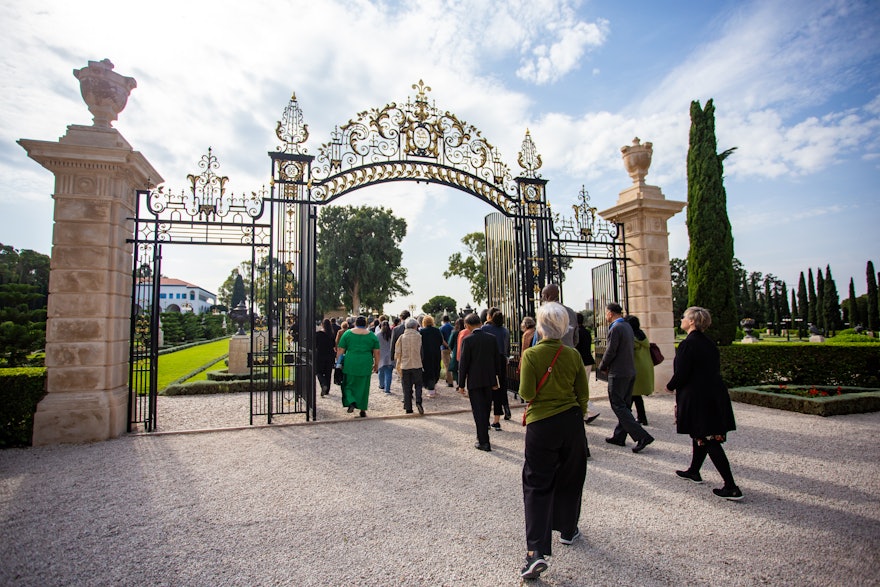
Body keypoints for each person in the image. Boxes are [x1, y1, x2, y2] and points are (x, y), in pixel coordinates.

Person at [518, 302, 589, 581]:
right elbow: (583, 393)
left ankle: (535, 551)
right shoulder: (572, 355)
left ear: (541, 325)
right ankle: (568, 529)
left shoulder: (532, 355)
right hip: (570, 421)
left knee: (536, 483)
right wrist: (577, 414)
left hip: (542, 422)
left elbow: (525, 393)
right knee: (571, 476)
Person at [665, 307, 742, 500]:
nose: (681, 319)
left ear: (691, 321)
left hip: (698, 396)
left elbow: (682, 373)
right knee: (701, 433)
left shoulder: (688, 344)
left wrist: (670, 386)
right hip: (714, 393)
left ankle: (731, 486)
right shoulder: (709, 343)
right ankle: (694, 471)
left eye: (683, 317)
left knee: (708, 438)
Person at [598, 302, 654, 453]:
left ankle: (642, 436)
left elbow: (611, 351)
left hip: (619, 372)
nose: (605, 316)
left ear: (610, 313)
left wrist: (602, 365)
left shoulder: (615, 328)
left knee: (618, 405)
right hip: (630, 371)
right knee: (625, 405)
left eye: (606, 313)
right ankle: (619, 436)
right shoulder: (628, 326)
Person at [458, 312, 503, 451]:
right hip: (489, 379)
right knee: (485, 408)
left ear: (468, 325)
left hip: (475, 380)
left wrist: (460, 384)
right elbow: (497, 361)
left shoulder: (468, 340)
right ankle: (483, 437)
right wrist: (497, 380)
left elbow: (464, 364)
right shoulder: (491, 338)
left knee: (478, 411)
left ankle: (484, 441)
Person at [336, 316, 380, 418]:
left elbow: (340, 350)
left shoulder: (347, 334)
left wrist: (338, 363)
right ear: (366, 324)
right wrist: (376, 364)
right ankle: (362, 409)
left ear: (355, 323)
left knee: (348, 384)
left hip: (350, 361)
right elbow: (377, 352)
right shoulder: (372, 336)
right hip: (365, 362)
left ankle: (351, 401)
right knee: (364, 387)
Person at [482, 309, 512, 428]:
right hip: (501, 360)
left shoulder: (486, 328)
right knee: (499, 389)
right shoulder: (505, 330)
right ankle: (496, 420)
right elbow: (507, 348)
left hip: (489, 359)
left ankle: (486, 418)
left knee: (487, 389)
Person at [625, 315, 653, 425]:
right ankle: (642, 417)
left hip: (635, 369)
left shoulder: (632, 339)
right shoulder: (642, 335)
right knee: (636, 395)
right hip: (644, 368)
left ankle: (626, 419)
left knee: (629, 395)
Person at [574, 312, 600, 424]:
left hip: (580, 363)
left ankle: (591, 411)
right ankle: (584, 414)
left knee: (578, 389)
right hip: (588, 361)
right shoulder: (586, 332)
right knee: (582, 387)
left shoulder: (577, 333)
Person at [395, 318, 425, 414]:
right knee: (418, 385)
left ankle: (408, 407)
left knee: (406, 387)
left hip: (405, 365)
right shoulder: (419, 336)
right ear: (415, 326)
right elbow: (422, 352)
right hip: (417, 364)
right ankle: (418, 402)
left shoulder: (402, 337)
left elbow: (398, 352)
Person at [419, 315, 444, 396]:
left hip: (426, 354)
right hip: (436, 353)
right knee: (436, 369)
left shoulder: (422, 332)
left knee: (427, 370)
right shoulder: (437, 331)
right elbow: (441, 341)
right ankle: (433, 387)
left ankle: (430, 388)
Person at [315, 319, 336, 397]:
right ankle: (327, 390)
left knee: (318, 372)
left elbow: (315, 344)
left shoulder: (318, 334)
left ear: (322, 325)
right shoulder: (331, 334)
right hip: (330, 355)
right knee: (328, 373)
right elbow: (334, 345)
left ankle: (323, 384)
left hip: (320, 355)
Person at [376, 320, 394, 394]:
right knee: (388, 373)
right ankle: (387, 389)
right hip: (390, 356)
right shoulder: (391, 334)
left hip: (381, 355)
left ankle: (381, 384)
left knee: (381, 371)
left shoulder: (378, 335)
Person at [439, 315, 454, 387]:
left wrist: (447, 345)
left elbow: (441, 339)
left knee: (446, 365)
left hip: (444, 348)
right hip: (451, 348)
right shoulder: (452, 328)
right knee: (450, 364)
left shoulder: (441, 328)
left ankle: (450, 382)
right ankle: (448, 378)